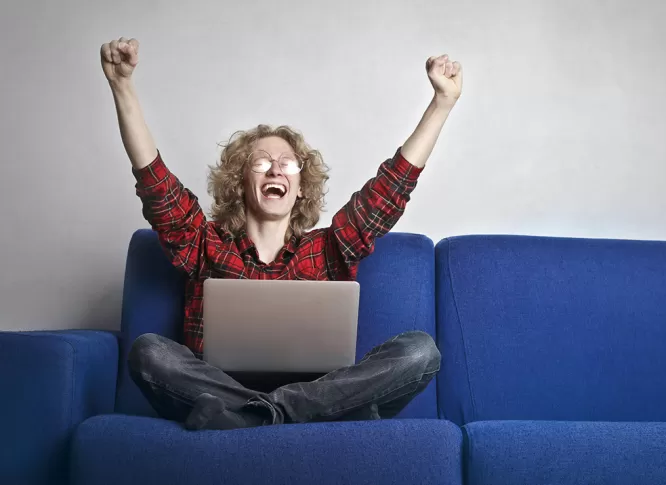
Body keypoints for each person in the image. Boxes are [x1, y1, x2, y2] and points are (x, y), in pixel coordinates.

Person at [100, 37, 462, 430]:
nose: (276, 169)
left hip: (314, 390)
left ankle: (256, 417)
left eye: (288, 164)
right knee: (150, 351)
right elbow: (156, 186)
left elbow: (391, 188)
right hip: (220, 388)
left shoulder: (327, 249)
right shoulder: (205, 244)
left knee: (419, 351)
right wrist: (122, 87)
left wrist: (441, 103)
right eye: (262, 162)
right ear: (240, 181)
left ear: (301, 186)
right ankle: (292, 415)